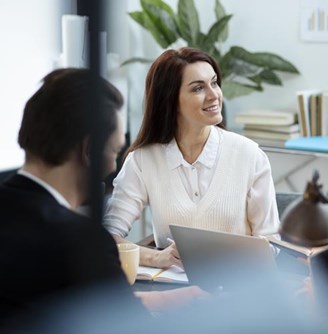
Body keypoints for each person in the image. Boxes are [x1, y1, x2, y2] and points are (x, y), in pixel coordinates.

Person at [0, 68, 207, 327]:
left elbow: (60, 300)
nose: (113, 166)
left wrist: (166, 300)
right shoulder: (81, 242)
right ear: (89, 150)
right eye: (114, 150)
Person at [103, 47, 280, 269]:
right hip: (171, 292)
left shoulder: (250, 155)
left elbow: (271, 244)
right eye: (198, 88)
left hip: (237, 289)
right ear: (170, 100)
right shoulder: (142, 160)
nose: (214, 94)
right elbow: (105, 238)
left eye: (214, 83)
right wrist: (156, 257)